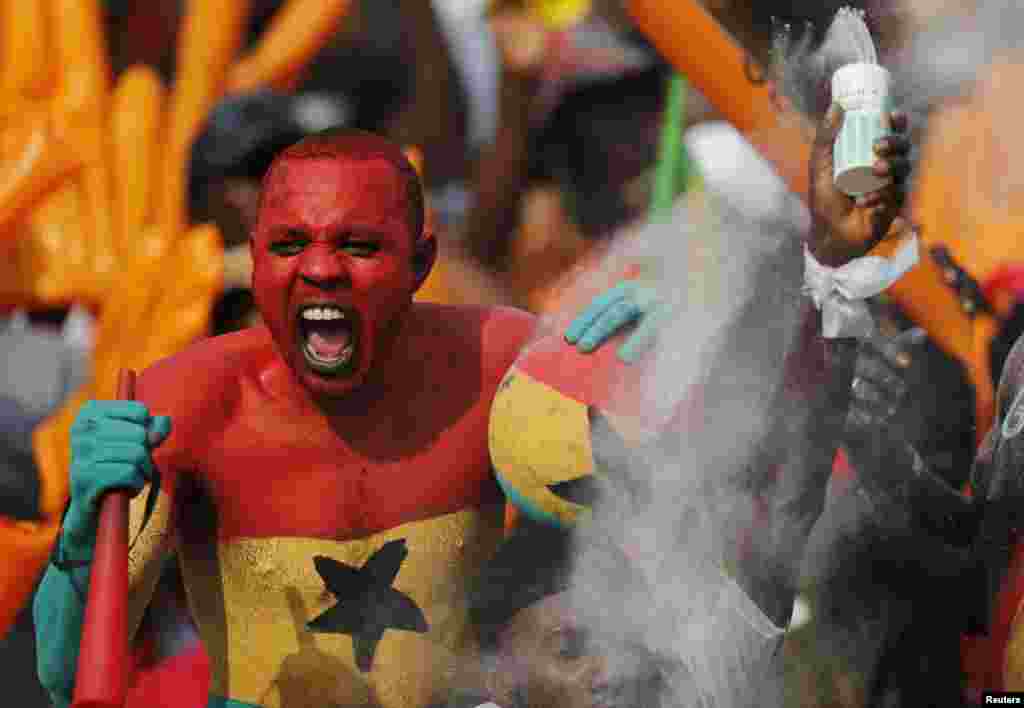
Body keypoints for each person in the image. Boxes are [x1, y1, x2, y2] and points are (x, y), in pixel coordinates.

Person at [35, 129, 538, 708]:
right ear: (255, 260)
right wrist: (81, 527)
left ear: (420, 262)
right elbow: (64, 675)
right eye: (290, 244)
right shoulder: (186, 402)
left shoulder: (502, 364)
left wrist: (652, 343)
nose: (321, 268)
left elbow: (632, 543)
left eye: (358, 245)